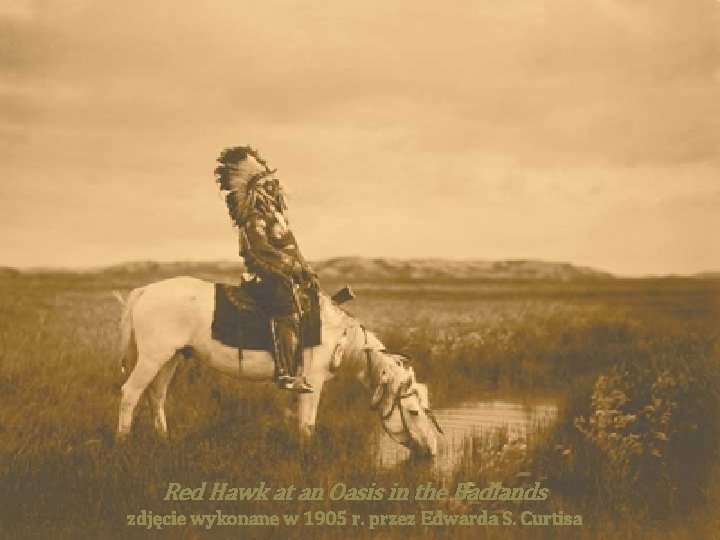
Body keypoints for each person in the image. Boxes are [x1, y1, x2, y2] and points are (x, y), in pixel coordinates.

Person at [214, 146, 318, 393]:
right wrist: (291, 267)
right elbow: (260, 252)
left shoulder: (277, 217)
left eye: (274, 183)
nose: (275, 188)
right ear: (257, 190)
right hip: (264, 277)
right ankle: (287, 373)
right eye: (268, 185)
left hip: (284, 274)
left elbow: (292, 247)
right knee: (287, 309)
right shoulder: (252, 219)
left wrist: (305, 268)